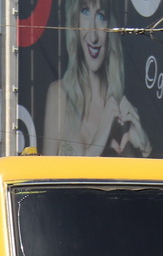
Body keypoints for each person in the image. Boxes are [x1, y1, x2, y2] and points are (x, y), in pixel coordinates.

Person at [41, 0, 151, 158]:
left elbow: (133, 180)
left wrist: (145, 148)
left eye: (101, 16)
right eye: (85, 12)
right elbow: (46, 177)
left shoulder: (123, 110)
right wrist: (99, 139)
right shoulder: (59, 95)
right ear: (75, 21)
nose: (93, 37)